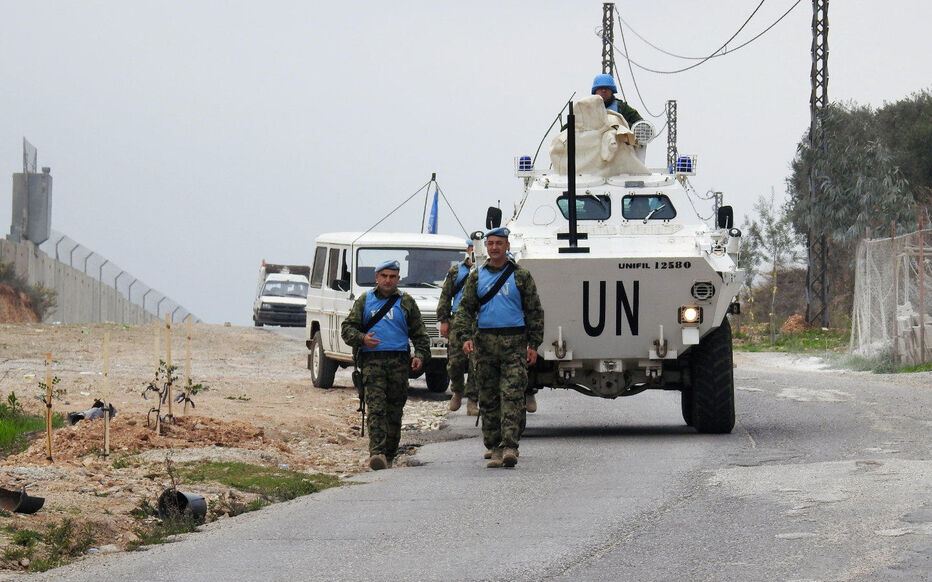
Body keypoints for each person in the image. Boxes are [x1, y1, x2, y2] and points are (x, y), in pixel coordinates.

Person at [453, 227, 544, 468]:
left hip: (514, 343)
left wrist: (533, 344)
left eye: (499, 243)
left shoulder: (521, 276)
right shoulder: (476, 276)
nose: (494, 247)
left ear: (507, 246)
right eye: (490, 243)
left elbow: (535, 311)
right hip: (485, 343)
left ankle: (511, 446)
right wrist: (465, 337)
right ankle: (494, 447)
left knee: (513, 395)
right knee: (489, 397)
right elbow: (464, 309)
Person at [341, 259, 430, 470]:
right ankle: (377, 453)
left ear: (398, 279)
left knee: (394, 409)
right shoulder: (365, 301)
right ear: (377, 278)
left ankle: (389, 453)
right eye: (384, 276)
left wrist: (420, 355)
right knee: (376, 408)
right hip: (373, 363)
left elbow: (420, 333)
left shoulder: (407, 302)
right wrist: (363, 339)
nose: (388, 280)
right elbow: (347, 330)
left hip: (399, 362)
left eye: (392, 276)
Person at [437, 239, 479, 415]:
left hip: (478, 321)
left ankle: (472, 400)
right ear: (468, 249)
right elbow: (446, 295)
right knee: (455, 362)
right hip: (457, 321)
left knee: (476, 363)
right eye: (472, 248)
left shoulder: (485, 271)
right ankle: (457, 391)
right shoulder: (456, 271)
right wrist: (444, 320)